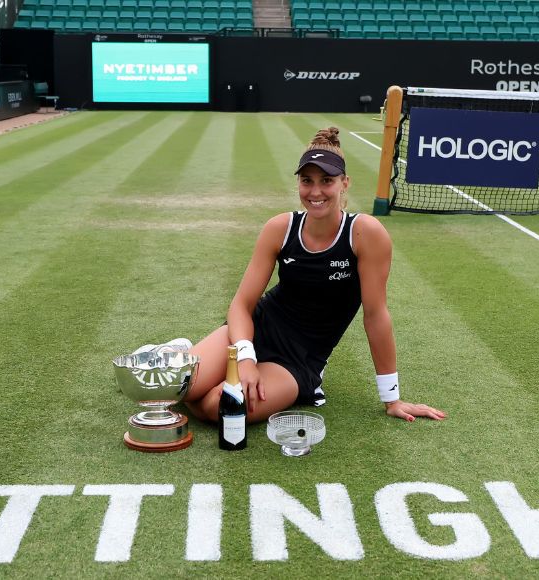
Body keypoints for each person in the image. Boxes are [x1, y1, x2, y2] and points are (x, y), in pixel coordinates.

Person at [163, 127, 447, 425]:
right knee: (178, 387)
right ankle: (181, 358)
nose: (315, 192)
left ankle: (189, 363)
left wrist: (392, 398)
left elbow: (375, 316)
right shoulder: (280, 227)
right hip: (255, 330)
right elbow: (241, 305)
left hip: (298, 360)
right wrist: (245, 357)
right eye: (307, 181)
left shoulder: (365, 233)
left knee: (217, 408)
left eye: (327, 181)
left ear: (344, 183)